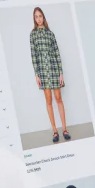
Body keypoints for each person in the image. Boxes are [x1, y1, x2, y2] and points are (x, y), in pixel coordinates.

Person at [29, 7, 69, 144]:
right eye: (36, 16)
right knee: (49, 100)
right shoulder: (33, 35)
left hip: (53, 69)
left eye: (40, 16)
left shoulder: (50, 34)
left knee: (58, 98)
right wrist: (36, 74)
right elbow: (34, 55)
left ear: (43, 17)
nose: (39, 18)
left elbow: (57, 53)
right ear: (34, 19)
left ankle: (64, 129)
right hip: (43, 72)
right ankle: (55, 131)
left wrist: (61, 72)